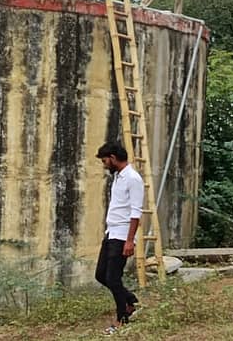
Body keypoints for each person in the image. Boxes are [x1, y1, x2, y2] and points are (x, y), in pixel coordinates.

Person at [95, 142, 142, 334]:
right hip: (111, 233)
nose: (105, 164)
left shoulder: (133, 178)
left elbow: (136, 213)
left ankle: (122, 318)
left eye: (105, 161)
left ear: (113, 158)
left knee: (113, 278)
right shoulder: (118, 177)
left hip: (122, 236)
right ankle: (130, 300)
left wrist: (130, 241)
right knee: (101, 275)